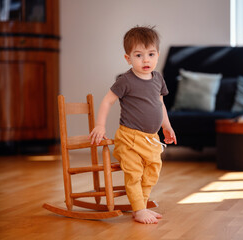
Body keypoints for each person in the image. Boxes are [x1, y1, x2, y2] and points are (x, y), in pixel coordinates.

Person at [89, 26, 177, 224]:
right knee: (134, 173)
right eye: (138, 55)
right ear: (128, 58)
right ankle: (139, 209)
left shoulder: (158, 79)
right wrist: (100, 125)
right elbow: (107, 101)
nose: (145, 60)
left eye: (150, 54)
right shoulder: (125, 80)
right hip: (129, 138)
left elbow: (160, 104)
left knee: (152, 172)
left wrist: (167, 126)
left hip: (152, 138)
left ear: (157, 55)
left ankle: (141, 206)